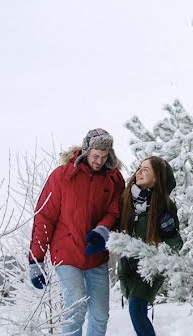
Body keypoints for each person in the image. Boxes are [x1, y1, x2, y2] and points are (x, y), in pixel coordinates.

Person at [29, 128, 125, 336]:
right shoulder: (63, 176)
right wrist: (35, 260)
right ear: (85, 151)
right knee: (76, 307)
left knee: (100, 315)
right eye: (95, 156)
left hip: (95, 255)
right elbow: (44, 217)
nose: (99, 161)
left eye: (104, 156)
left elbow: (115, 212)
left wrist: (103, 230)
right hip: (66, 252)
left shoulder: (113, 179)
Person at [118, 156, 183, 336]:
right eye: (139, 168)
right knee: (136, 309)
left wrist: (169, 233)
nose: (139, 172)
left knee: (136, 309)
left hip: (150, 268)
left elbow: (175, 243)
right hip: (127, 267)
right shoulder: (125, 199)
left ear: (157, 178)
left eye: (146, 169)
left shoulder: (165, 206)